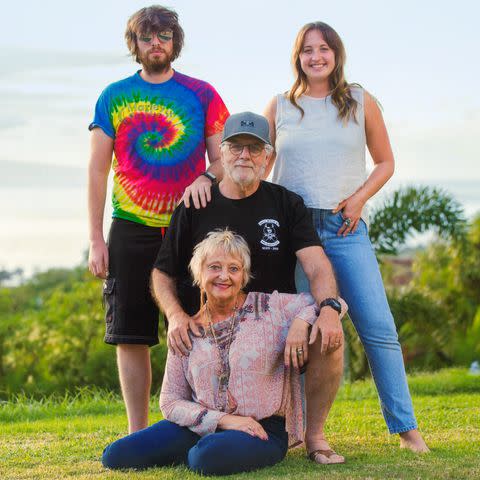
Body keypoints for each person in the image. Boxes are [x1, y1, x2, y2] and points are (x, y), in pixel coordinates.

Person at [263, 21, 429, 453]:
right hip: (294, 233)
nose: (316, 57)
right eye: (307, 50)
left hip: (345, 226)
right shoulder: (281, 106)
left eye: (324, 49)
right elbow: (255, 163)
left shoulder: (359, 100)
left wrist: (358, 199)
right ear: (297, 58)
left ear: (337, 54)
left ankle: (406, 428)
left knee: (378, 328)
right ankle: (298, 434)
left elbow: (385, 162)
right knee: (299, 333)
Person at [152, 111, 346, 464]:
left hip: (273, 329)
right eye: (237, 147)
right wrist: (176, 315)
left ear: (268, 159)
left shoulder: (286, 204)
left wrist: (323, 312)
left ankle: (313, 436)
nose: (245, 156)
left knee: (329, 333)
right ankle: (210, 428)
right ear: (221, 154)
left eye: (255, 149)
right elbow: (161, 273)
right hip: (207, 329)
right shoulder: (196, 203)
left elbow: (316, 265)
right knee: (123, 455)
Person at [87, 5, 229, 433]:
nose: (156, 43)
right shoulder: (113, 96)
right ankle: (138, 432)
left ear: (175, 43)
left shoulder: (203, 94)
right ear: (136, 44)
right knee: (131, 335)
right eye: (147, 36)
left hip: (192, 226)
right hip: (130, 227)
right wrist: (96, 239)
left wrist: (206, 175)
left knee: (196, 328)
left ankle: (197, 424)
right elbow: (97, 169)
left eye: (164, 36)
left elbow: (224, 159)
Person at [102, 230, 347, 475]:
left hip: (261, 429)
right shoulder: (187, 328)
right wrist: (222, 421)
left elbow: (334, 304)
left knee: (205, 457)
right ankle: (197, 446)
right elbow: (170, 401)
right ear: (199, 273)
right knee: (116, 455)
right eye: (215, 267)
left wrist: (301, 322)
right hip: (203, 425)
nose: (224, 276)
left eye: (234, 269)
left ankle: (199, 450)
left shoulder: (270, 308)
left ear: (244, 276)